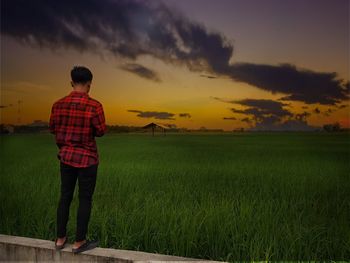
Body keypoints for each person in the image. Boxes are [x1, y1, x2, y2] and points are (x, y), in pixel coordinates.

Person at [49, 66, 106, 254]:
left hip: (65, 158)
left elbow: (53, 129)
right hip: (88, 160)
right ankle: (79, 242)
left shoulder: (57, 105)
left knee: (65, 196)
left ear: (71, 83)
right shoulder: (95, 106)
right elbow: (101, 131)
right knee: (84, 199)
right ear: (89, 85)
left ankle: (60, 239)